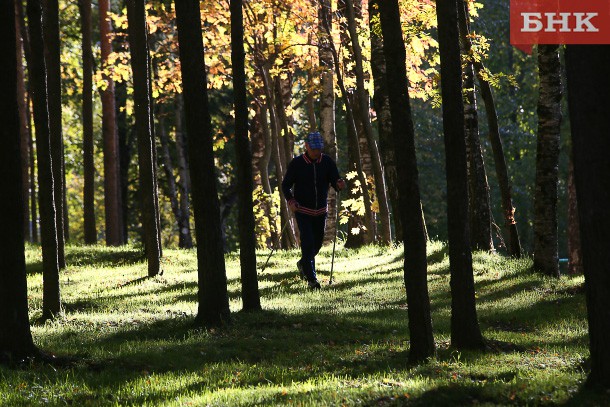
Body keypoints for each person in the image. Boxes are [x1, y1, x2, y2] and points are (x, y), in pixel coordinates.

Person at [281, 131, 346, 289]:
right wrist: (291, 200)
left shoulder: (327, 162)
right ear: (307, 146)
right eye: (314, 149)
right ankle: (312, 279)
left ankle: (303, 263)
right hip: (303, 211)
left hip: (321, 211)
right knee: (308, 242)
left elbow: (335, 179)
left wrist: (339, 184)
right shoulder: (297, 164)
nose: (317, 152)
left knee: (317, 244)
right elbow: (285, 185)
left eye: (319, 149)